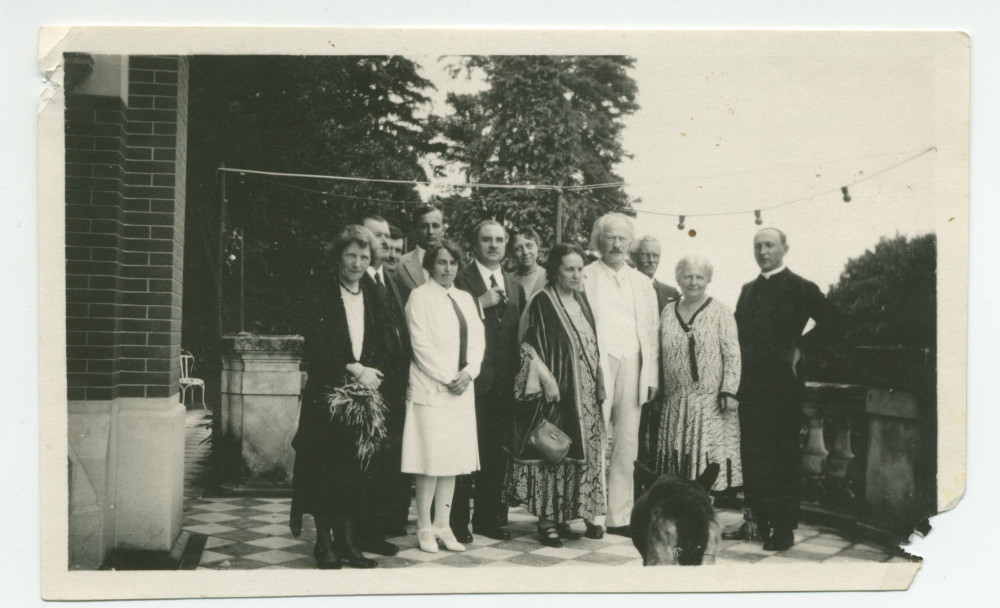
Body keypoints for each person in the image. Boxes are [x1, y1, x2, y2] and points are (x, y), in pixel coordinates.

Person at [729, 227, 840, 551]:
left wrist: (801, 347)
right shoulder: (747, 290)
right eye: (758, 246)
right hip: (750, 388)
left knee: (783, 458)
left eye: (769, 245)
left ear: (784, 249)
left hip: (783, 388)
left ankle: (783, 528)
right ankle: (757, 523)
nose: (763, 251)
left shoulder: (801, 287)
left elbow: (834, 321)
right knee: (753, 457)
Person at [289, 225, 389, 569]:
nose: (357, 263)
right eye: (351, 255)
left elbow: (384, 336)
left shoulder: (372, 292)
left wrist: (372, 371)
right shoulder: (321, 290)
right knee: (323, 469)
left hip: (361, 397)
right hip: (327, 394)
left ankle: (347, 541)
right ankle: (323, 543)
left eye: (364, 257)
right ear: (339, 256)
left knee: (354, 471)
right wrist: (352, 367)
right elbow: (316, 342)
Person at [505, 242, 607, 546]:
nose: (576, 275)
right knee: (555, 454)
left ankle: (576, 514)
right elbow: (526, 346)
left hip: (586, 394)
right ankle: (548, 522)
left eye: (580, 269)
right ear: (555, 271)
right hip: (557, 394)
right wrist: (547, 379)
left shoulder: (582, 301)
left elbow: (593, 346)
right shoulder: (541, 301)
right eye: (569, 269)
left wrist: (600, 379)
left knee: (585, 454)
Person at [401, 240, 485, 553]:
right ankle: (424, 527)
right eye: (441, 262)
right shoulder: (419, 297)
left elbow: (478, 341)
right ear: (430, 266)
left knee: (451, 461)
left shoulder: (465, 298)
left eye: (452, 263)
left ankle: (443, 525)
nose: (447, 268)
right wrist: (448, 376)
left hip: (461, 391)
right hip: (433, 389)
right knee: (430, 461)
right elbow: (420, 344)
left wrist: (468, 372)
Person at [581, 213, 660, 537]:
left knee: (627, 443)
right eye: (610, 237)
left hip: (633, 365)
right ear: (599, 240)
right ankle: (594, 515)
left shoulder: (642, 283)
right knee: (595, 439)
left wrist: (651, 374)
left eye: (622, 239)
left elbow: (652, 332)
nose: (616, 244)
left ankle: (620, 516)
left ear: (630, 244)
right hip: (598, 365)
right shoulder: (584, 276)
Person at [449, 220, 524, 542]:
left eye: (499, 240)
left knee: (494, 456)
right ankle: (456, 524)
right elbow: (448, 321)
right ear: (475, 244)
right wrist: (480, 303)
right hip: (470, 381)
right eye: (486, 239)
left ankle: (486, 520)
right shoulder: (460, 278)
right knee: (464, 455)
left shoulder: (513, 283)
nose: (493, 245)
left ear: (506, 245)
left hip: (503, 383)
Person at [655, 254, 742, 494]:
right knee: (678, 463)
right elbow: (658, 354)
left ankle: (703, 511)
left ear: (708, 279)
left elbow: (732, 353)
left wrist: (729, 390)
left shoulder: (720, 311)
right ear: (678, 279)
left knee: (706, 463)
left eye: (699, 277)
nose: (693, 282)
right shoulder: (667, 311)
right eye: (687, 276)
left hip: (709, 402)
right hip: (675, 402)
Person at [359, 215, 412, 545]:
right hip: (367, 384)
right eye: (374, 235)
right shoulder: (357, 278)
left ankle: (379, 525)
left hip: (393, 385)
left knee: (386, 459)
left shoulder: (387, 279)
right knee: (367, 461)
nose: (381, 241)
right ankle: (364, 531)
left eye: (384, 235)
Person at [396, 204, 445, 290]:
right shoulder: (400, 265)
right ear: (415, 229)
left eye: (435, 226)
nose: (430, 231)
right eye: (424, 226)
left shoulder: (454, 263)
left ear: (443, 230)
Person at [630, 235, 680, 313]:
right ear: (635, 257)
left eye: (655, 255)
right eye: (646, 255)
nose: (651, 260)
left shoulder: (671, 293)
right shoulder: (626, 287)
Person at [510, 226, 548, 298]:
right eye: (518, 248)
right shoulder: (508, 281)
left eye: (529, 246)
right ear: (512, 252)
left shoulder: (549, 277)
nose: (525, 252)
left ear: (537, 246)